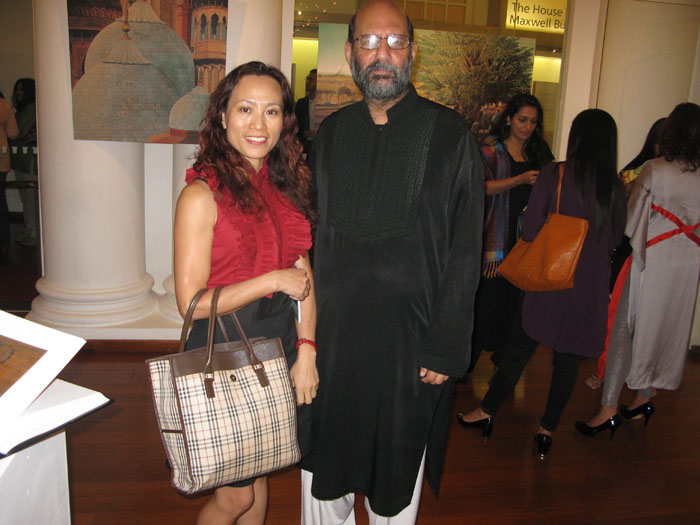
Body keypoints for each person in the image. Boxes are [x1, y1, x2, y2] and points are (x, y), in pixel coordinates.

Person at [301, 1, 483, 522]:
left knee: (395, 484)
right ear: (349, 53)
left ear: (412, 52)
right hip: (334, 348)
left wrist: (447, 345)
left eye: (395, 42)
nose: (382, 54)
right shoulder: (330, 135)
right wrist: (304, 340)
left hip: (410, 352)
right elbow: (307, 242)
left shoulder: (451, 136)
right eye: (369, 42)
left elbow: (466, 248)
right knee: (322, 481)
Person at [173, 61, 319, 524]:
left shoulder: (284, 188)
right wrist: (271, 280)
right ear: (222, 116)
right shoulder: (201, 195)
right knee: (235, 497)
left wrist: (308, 350)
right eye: (245, 109)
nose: (259, 124)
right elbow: (191, 304)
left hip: (277, 343)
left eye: (271, 111)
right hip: (224, 348)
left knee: (261, 468)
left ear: (285, 121)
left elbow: (305, 283)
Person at [457, 109, 626, 457]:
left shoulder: (556, 173)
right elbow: (614, 240)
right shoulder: (614, 186)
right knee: (567, 362)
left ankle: (486, 412)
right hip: (589, 284)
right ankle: (546, 430)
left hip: (551, 278)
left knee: (518, 349)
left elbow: (532, 228)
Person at [576, 102, 700, 438]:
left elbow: (630, 222)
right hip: (688, 263)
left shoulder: (655, 169)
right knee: (665, 325)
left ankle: (608, 409)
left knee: (623, 327)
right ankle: (644, 397)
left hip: (651, 258)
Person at [468, 93, 554, 372]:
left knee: (515, 309)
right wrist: (519, 180)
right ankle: (466, 368)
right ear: (508, 119)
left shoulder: (539, 152)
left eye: (533, 122)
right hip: (496, 242)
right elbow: (478, 188)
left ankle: (501, 364)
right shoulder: (490, 150)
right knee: (485, 307)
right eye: (522, 120)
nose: (527, 127)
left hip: (527, 241)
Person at [584, 116, 667, 390]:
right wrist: (627, 191)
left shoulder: (676, 175)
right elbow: (617, 213)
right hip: (628, 249)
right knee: (617, 314)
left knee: (648, 320)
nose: (663, 148)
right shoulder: (635, 170)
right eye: (660, 141)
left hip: (658, 254)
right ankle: (605, 373)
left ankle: (642, 382)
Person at [9, 78, 38, 247]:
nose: (19, 93)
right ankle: (30, 231)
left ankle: (32, 233)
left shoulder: (31, 110)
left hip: (28, 163)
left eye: (22, 89)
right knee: (28, 199)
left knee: (29, 199)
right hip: (24, 161)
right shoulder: (24, 111)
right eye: (17, 89)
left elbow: (18, 133)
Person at [0, 90, 19, 261]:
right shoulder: (4, 105)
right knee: (1, 201)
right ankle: (4, 243)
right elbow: (13, 133)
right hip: (1, 159)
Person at [294, 69, 317, 156]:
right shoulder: (301, 103)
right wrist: (305, 132)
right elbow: (296, 124)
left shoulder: (323, 104)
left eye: (311, 80)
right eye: (307, 79)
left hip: (319, 144)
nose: (307, 82)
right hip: (304, 146)